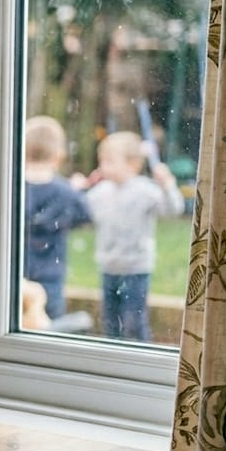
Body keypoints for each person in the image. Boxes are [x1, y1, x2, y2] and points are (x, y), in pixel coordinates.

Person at [83, 130, 182, 341]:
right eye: (102, 161)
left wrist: (168, 185)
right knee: (110, 321)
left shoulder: (145, 191)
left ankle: (140, 355)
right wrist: (82, 187)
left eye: (109, 161)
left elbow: (173, 210)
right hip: (108, 267)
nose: (103, 166)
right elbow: (81, 211)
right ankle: (113, 358)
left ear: (134, 164)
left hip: (136, 269)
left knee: (134, 322)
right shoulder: (100, 192)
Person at [22, 115, 91, 322]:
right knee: (49, 326)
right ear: (58, 156)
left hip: (17, 274)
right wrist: (77, 191)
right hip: (51, 274)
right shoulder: (64, 191)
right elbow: (85, 215)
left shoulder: (13, 187)